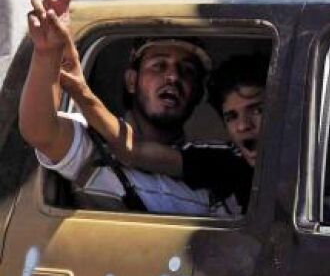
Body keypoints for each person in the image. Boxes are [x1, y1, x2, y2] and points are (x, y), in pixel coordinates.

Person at [19, 0, 231, 216]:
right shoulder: (93, 141)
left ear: (198, 93)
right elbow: (40, 131)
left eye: (187, 71)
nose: (173, 77)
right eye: (159, 66)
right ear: (132, 81)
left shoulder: (213, 167)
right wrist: (47, 53)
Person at [58, 52, 267, 214]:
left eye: (258, 110)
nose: (243, 126)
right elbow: (132, 150)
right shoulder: (225, 162)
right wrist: (80, 91)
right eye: (231, 117)